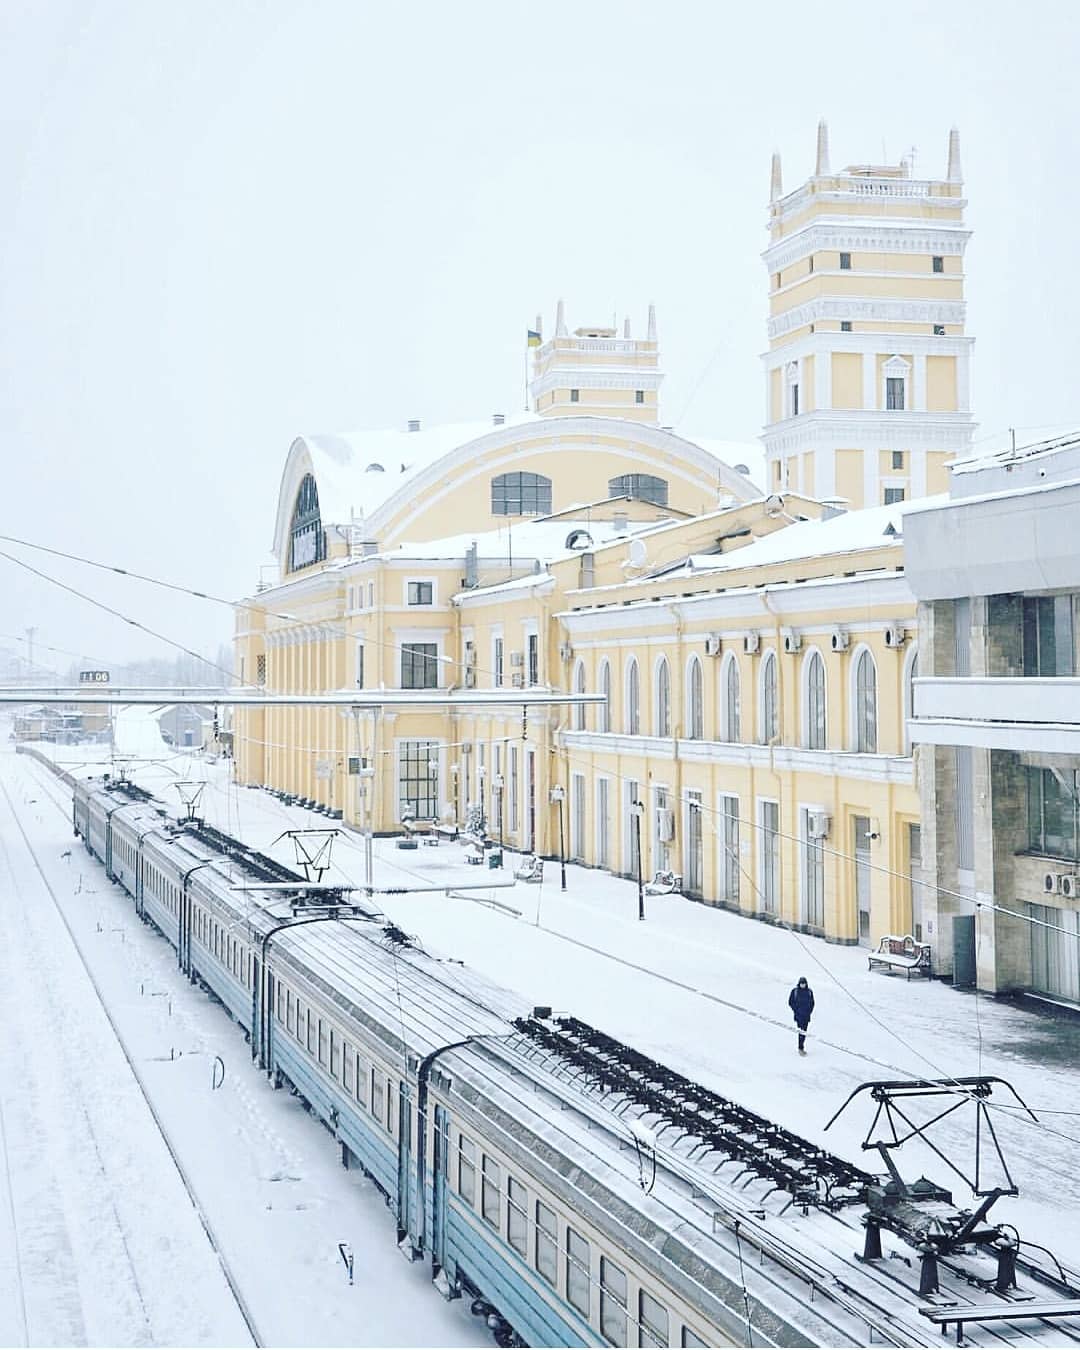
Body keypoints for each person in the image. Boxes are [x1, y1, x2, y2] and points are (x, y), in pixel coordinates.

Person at [788, 976, 815, 1055]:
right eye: (801, 983)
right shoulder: (795, 991)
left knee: (804, 1032)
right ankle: (800, 1048)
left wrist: (809, 1011)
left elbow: (812, 1003)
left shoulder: (809, 991)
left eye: (804, 983)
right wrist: (796, 1010)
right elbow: (790, 1002)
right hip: (798, 1015)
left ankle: (801, 1046)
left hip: (806, 1016)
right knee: (801, 1031)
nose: (802, 985)